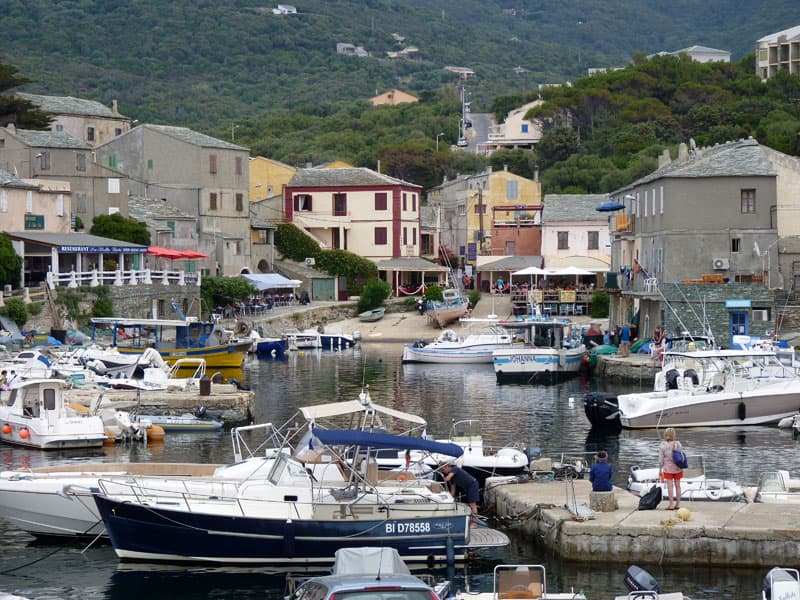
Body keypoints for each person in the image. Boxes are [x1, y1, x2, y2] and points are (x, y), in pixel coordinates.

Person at [439, 462, 480, 526]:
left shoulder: (455, 469)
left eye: (443, 470)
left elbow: (448, 477)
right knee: (469, 504)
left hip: (472, 485)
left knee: (472, 505)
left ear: (447, 467)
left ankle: (474, 523)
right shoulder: (451, 477)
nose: (443, 472)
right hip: (467, 488)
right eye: (441, 470)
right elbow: (453, 489)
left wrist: (443, 479)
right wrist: (450, 499)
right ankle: (470, 520)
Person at [659, 427, 684, 510]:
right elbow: (681, 454)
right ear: (674, 435)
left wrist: (660, 469)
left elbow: (660, 460)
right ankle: (678, 504)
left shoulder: (663, 445)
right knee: (678, 486)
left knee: (670, 487)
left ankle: (671, 505)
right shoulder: (678, 443)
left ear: (665, 435)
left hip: (668, 469)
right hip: (678, 468)